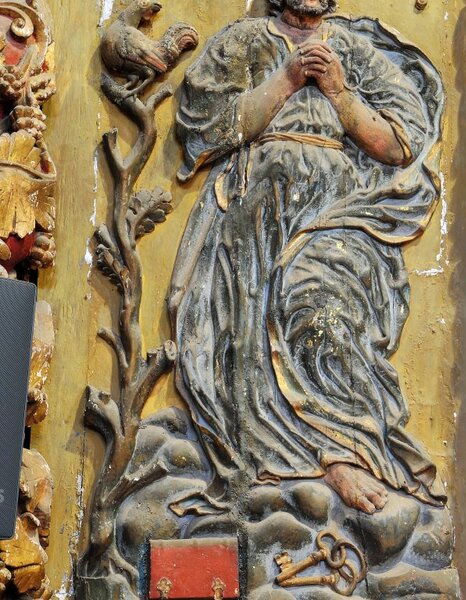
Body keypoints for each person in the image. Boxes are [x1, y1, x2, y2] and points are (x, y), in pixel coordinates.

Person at [169, 0, 446, 515]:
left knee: (323, 309)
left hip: (338, 212)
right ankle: (298, 459)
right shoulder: (243, 41)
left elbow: (399, 145)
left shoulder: (354, 52)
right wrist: (287, 80)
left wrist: (340, 92)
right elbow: (205, 130)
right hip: (257, 209)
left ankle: (346, 448)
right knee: (248, 333)